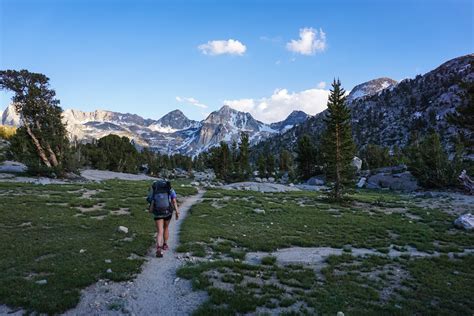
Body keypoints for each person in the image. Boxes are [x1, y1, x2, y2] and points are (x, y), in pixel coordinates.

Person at [147, 180, 180, 257]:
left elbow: (149, 199)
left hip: (157, 213)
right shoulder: (169, 188)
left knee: (159, 231)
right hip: (167, 212)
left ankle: (158, 248)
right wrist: (177, 212)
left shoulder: (154, 189)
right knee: (166, 228)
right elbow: (174, 200)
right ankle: (165, 244)